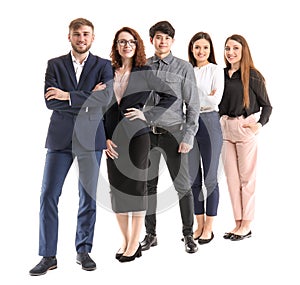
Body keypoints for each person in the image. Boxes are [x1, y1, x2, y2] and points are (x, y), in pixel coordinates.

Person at [29, 18, 114, 276]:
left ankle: (84, 250)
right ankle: (48, 256)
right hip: (60, 139)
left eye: (86, 34)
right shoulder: (55, 64)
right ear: (69, 37)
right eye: (77, 34)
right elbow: (50, 103)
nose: (81, 38)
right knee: (48, 196)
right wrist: (88, 95)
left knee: (87, 196)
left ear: (93, 37)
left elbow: (105, 100)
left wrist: (67, 95)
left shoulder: (104, 65)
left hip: (91, 139)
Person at [104, 27, 176, 262]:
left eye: (131, 42)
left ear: (137, 46)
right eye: (122, 42)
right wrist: (102, 138)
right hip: (111, 139)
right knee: (117, 192)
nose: (126, 45)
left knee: (135, 191)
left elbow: (170, 96)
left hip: (137, 137)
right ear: (116, 45)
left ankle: (134, 243)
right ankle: (125, 240)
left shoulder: (144, 72)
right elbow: (96, 108)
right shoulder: (107, 71)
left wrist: (148, 115)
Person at [140, 21, 200, 253]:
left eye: (166, 37)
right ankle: (150, 234)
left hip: (174, 134)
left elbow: (192, 106)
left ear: (172, 41)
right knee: (149, 187)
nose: (162, 41)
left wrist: (188, 136)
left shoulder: (183, 68)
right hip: (147, 134)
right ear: (152, 40)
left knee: (183, 186)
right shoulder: (143, 66)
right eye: (158, 37)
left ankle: (188, 235)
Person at [219, 34, 272, 241]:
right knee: (232, 179)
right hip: (225, 127)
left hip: (244, 127)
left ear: (243, 51)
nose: (230, 52)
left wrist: (258, 125)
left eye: (235, 48)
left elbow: (267, 105)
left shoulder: (252, 75)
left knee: (246, 178)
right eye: (227, 48)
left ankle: (247, 224)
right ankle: (238, 222)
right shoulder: (221, 74)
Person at [187, 32, 224, 244]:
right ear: (191, 49)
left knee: (210, 179)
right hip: (189, 123)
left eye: (205, 48)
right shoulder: (187, 70)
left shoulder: (216, 70)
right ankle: (198, 224)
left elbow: (215, 99)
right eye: (197, 47)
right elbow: (182, 98)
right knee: (193, 179)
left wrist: (195, 97)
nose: (201, 51)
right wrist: (203, 97)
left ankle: (209, 227)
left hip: (209, 122)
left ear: (210, 50)